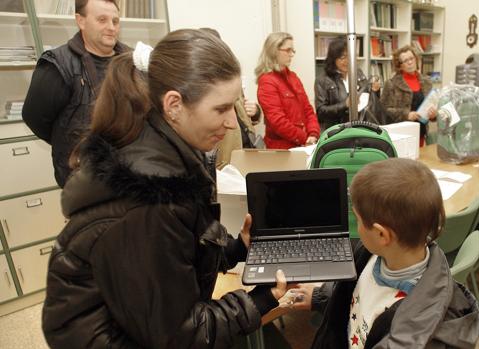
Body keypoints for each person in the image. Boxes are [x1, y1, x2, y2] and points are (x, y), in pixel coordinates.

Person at [42, 29, 292, 348]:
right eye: (221, 108)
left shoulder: (165, 148)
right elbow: (179, 334)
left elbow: (178, 253)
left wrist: (236, 249)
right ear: (173, 104)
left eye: (236, 105)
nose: (233, 122)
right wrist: (259, 300)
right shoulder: (150, 198)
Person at [290, 158, 479, 348]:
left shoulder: (427, 338)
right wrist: (321, 297)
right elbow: (360, 294)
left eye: (357, 219)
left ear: (382, 234)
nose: (357, 226)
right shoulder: (373, 254)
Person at [22, 0, 130, 187]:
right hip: (82, 179)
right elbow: (35, 118)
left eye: (115, 21)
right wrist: (69, 139)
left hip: (128, 172)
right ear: (81, 21)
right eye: (102, 20)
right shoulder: (58, 64)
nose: (111, 27)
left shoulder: (131, 60)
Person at [199, 27, 263, 168]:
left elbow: (241, 111)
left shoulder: (230, 76)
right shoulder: (200, 85)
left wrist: (255, 112)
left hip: (248, 148)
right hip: (227, 159)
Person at [255, 32, 320, 149]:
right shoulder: (267, 81)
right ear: (274, 51)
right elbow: (278, 122)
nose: (291, 54)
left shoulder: (293, 77)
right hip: (282, 150)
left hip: (303, 145)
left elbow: (308, 110)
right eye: (288, 50)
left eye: (293, 50)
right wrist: (305, 138)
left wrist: (313, 133)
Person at [314, 37, 381, 131]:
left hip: (361, 126)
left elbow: (368, 99)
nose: (347, 61)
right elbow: (321, 112)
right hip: (337, 131)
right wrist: (345, 105)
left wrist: (375, 90)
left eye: (350, 56)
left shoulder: (358, 73)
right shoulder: (323, 80)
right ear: (333, 59)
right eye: (342, 57)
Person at [380, 45, 436, 146]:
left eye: (411, 58)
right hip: (401, 134)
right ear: (399, 65)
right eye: (405, 61)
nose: (410, 62)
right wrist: (406, 115)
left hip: (421, 132)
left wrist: (433, 115)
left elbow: (431, 104)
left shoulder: (427, 82)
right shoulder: (391, 84)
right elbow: (383, 110)